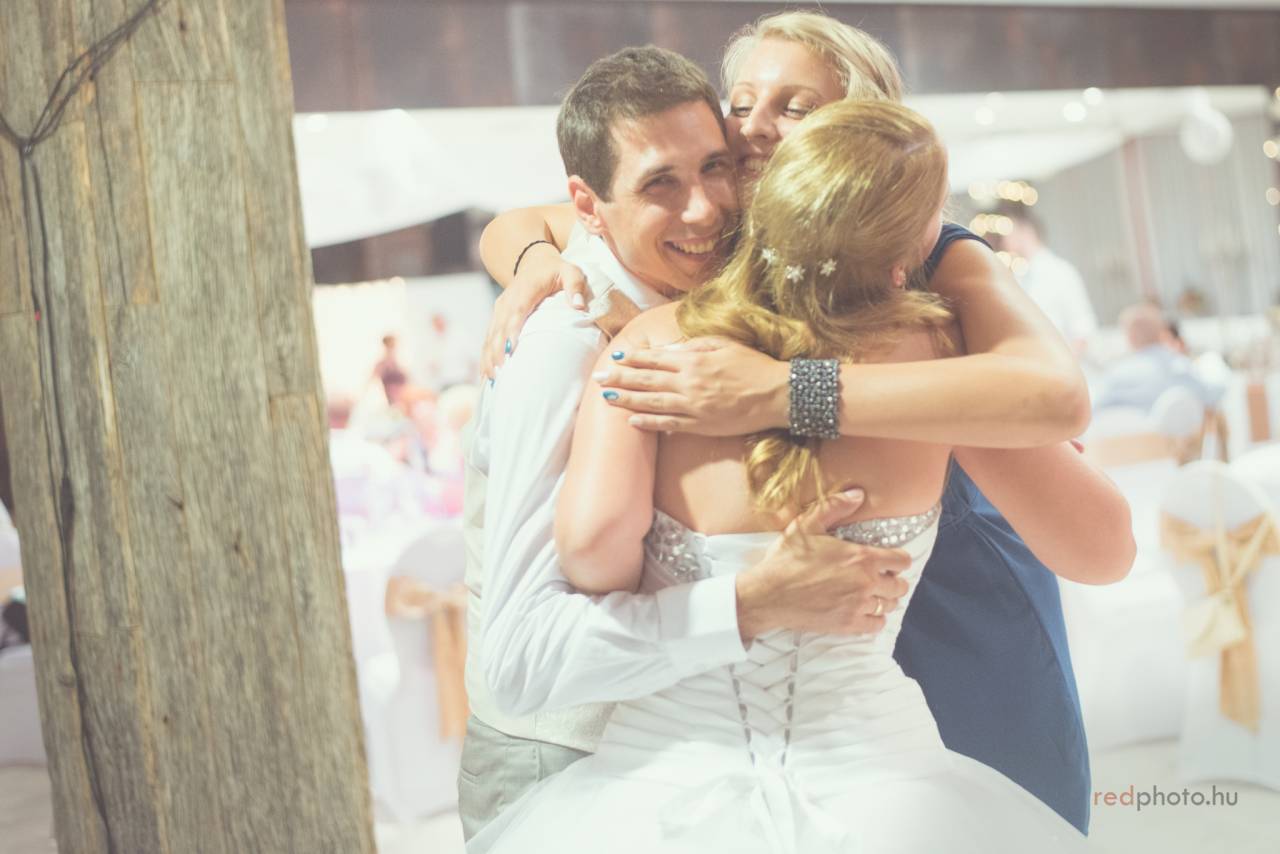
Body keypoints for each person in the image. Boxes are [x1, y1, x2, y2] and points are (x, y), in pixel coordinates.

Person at [474, 11, 1133, 834]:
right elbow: (535, 221)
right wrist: (536, 261)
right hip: (709, 699)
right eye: (739, 103)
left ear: (860, 130)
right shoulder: (699, 250)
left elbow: (1074, 457)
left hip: (952, 622)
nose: (753, 127)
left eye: (794, 106)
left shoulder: (927, 275)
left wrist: (786, 391)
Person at [459, 45, 916, 843]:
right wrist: (754, 601)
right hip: (564, 754)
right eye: (660, 185)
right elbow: (523, 658)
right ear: (588, 205)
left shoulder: (736, 299)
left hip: (732, 768)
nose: (705, 210)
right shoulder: (568, 342)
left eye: (716, 167)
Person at [997, 207, 1098, 357]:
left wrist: (1063, 363)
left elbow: (1082, 330)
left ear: (1026, 232)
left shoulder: (1061, 272)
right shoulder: (1017, 277)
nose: (1004, 240)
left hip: (1060, 362)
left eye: (1008, 233)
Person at [1093, 301, 1214, 412]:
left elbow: (1095, 408)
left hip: (1132, 427)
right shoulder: (1183, 366)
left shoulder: (1118, 374)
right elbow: (1210, 395)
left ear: (1130, 337)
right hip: (1185, 427)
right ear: (1162, 332)